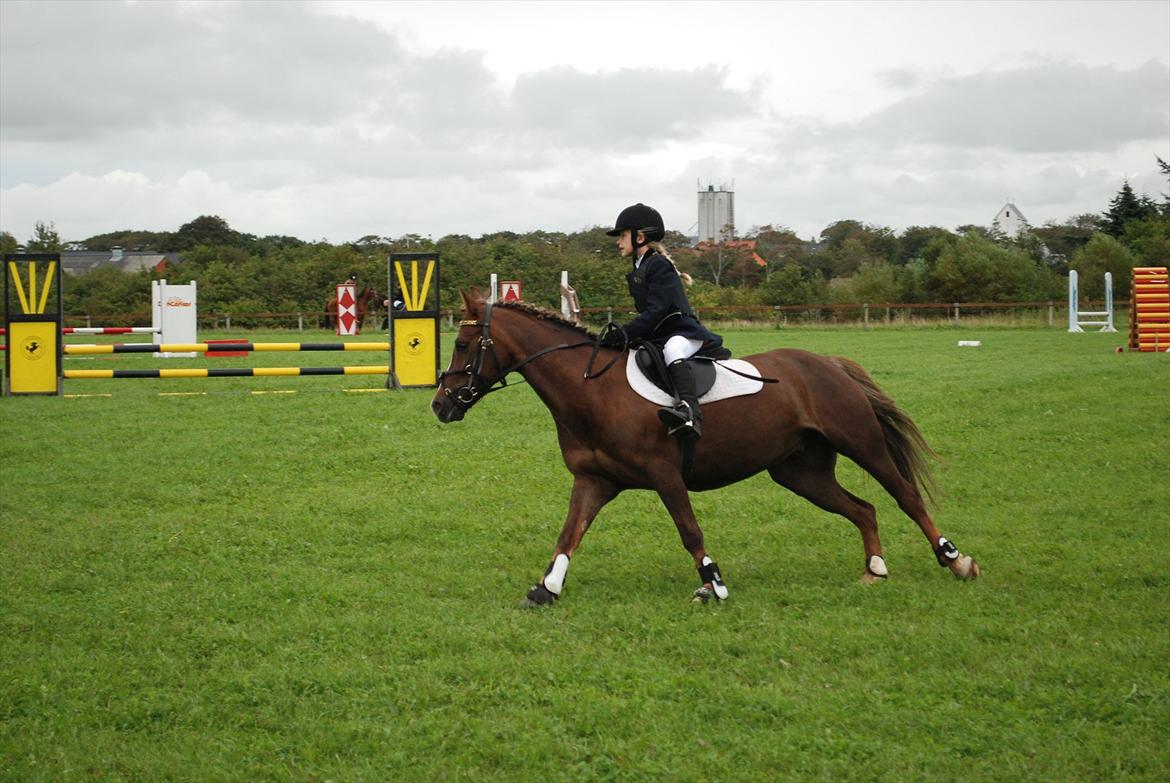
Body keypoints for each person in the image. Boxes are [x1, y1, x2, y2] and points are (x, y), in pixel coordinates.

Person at [603, 203, 726, 440]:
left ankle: (690, 412)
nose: (618, 241)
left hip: (683, 333)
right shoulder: (639, 266)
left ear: (640, 237)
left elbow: (656, 311)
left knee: (673, 350)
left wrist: (626, 332)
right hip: (660, 333)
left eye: (622, 235)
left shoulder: (658, 264)